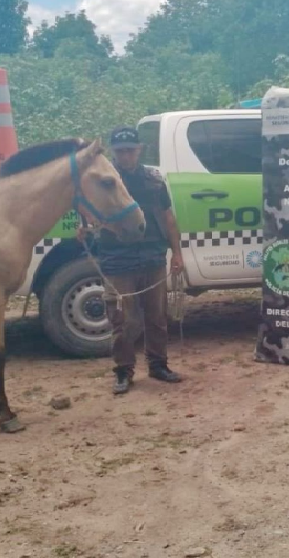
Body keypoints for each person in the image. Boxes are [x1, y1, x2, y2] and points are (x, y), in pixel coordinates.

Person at [84, 126, 184, 394]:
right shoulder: (104, 180)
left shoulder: (153, 179)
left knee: (157, 317)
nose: (126, 155)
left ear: (139, 150)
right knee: (122, 320)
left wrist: (177, 253)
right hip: (117, 259)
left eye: (130, 150)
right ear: (114, 152)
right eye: (120, 151)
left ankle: (158, 365)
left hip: (152, 256)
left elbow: (167, 218)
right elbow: (84, 207)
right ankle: (124, 371)